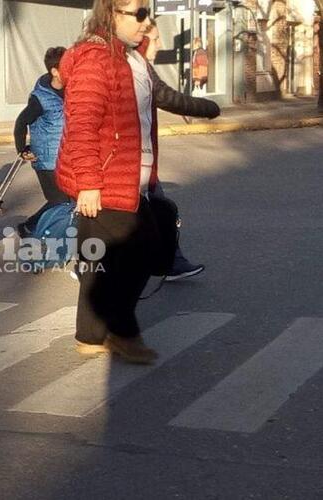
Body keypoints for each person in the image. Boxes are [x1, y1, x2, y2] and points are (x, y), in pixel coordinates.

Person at [56, 0, 165, 364]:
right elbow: (82, 124)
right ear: (110, 13)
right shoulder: (95, 58)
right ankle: (121, 331)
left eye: (147, 12)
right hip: (108, 179)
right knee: (145, 249)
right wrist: (88, 183)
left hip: (126, 178)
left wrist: (148, 49)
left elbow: (151, 95)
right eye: (137, 13)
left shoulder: (128, 58)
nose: (145, 21)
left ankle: (90, 336)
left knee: (98, 261)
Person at [145, 23, 220, 281]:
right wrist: (208, 108)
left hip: (141, 164)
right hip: (126, 168)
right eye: (154, 40)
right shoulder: (133, 68)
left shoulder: (137, 67)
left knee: (162, 213)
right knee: (150, 216)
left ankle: (172, 263)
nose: (157, 46)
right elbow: (167, 97)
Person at [13, 47, 70, 237]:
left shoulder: (72, 91)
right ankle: (32, 229)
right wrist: (22, 149)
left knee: (66, 200)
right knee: (59, 201)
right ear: (55, 71)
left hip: (67, 158)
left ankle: (34, 227)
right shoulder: (41, 98)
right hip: (47, 160)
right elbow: (21, 122)